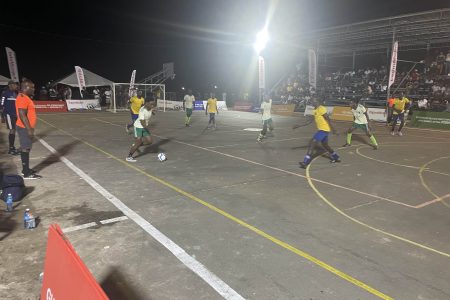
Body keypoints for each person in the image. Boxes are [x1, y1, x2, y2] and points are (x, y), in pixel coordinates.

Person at [293, 98, 340, 169]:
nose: (312, 102)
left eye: (314, 101)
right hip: (323, 130)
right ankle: (336, 157)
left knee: (313, 142)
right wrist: (299, 125)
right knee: (325, 145)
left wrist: (334, 129)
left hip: (323, 130)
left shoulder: (321, 108)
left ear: (318, 101)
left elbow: (328, 119)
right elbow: (309, 121)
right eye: (312, 101)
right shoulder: (315, 110)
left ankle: (305, 162)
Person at [16, 78, 42, 179]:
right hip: (24, 127)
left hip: (25, 127)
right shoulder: (22, 97)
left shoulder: (25, 97)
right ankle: (26, 173)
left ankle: (25, 169)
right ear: (26, 87)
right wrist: (29, 129)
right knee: (25, 148)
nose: (34, 89)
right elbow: (22, 114)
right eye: (32, 87)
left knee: (26, 147)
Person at [1, 80, 20, 155]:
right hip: (9, 114)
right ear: (10, 85)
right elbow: (1, 104)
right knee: (12, 130)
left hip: (15, 115)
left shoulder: (16, 93)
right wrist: (2, 116)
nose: (16, 86)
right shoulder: (5, 93)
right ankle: (11, 149)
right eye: (15, 85)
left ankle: (12, 147)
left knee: (14, 130)